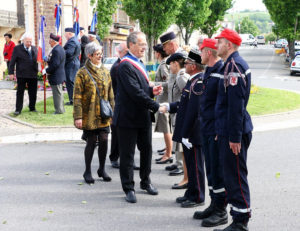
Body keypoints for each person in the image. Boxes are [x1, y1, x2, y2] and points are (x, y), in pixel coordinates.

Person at [113, 31, 163, 203]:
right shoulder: (125, 65)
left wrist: (152, 91)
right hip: (127, 118)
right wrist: (156, 105)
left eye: (145, 44)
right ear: (131, 45)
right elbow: (134, 92)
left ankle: (145, 182)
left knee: (147, 150)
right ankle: (129, 187)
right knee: (127, 154)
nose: (144, 47)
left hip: (142, 116)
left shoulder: (138, 62)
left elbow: (141, 88)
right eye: (141, 44)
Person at [213, 28, 253, 231]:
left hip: (234, 132)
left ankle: (240, 221)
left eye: (219, 42)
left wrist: (234, 137)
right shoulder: (230, 65)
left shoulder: (234, 66)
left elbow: (236, 106)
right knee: (231, 175)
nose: (216, 45)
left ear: (229, 44)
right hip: (228, 130)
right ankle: (237, 217)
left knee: (236, 175)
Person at [161, 49, 206, 208]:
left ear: (193, 66)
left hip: (193, 133)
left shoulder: (198, 82)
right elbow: (184, 104)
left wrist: (187, 134)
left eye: (186, 63)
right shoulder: (193, 81)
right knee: (191, 164)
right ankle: (191, 192)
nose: (184, 65)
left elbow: (194, 111)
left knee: (196, 166)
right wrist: (170, 106)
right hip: (188, 132)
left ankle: (198, 196)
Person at [193, 38, 227, 227]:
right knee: (211, 171)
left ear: (208, 52)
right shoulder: (209, 70)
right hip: (206, 127)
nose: (199, 54)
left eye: (201, 51)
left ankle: (221, 210)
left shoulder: (221, 70)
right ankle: (214, 205)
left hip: (214, 129)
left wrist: (218, 129)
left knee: (217, 171)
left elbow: (222, 104)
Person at [73, 42, 114, 184]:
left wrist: (113, 113)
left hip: (103, 114)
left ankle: (102, 169)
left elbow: (110, 94)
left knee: (104, 140)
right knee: (91, 141)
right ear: (89, 56)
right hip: (89, 114)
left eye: (101, 53)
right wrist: (78, 117)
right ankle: (87, 171)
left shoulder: (105, 71)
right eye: (97, 54)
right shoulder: (82, 73)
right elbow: (77, 96)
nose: (100, 56)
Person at [160, 31, 188, 183]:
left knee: (181, 140)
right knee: (177, 137)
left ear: (171, 43)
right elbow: (170, 83)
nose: (164, 50)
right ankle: (178, 162)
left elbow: (186, 85)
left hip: (180, 105)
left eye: (165, 46)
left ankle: (183, 168)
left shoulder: (182, 58)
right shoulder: (172, 60)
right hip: (173, 105)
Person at [152, 44, 173, 164]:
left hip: (164, 100)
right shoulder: (164, 63)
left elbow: (168, 82)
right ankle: (167, 150)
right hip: (164, 99)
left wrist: (153, 84)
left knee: (166, 129)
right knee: (166, 128)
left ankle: (168, 154)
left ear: (158, 53)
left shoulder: (163, 64)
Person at [9, 32, 38, 115]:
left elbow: (37, 60)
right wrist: (11, 73)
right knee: (20, 92)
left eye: (30, 41)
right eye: (27, 41)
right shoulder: (17, 49)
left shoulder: (34, 48)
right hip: (22, 74)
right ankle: (18, 109)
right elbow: (12, 61)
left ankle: (32, 107)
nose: (29, 43)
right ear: (23, 41)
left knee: (33, 92)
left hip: (33, 74)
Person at [109, 42, 128, 168]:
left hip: (122, 103)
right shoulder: (118, 66)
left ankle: (123, 157)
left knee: (123, 133)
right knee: (116, 132)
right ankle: (114, 157)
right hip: (117, 103)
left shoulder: (124, 64)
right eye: (127, 51)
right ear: (120, 52)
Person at [44, 33, 66, 114]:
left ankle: (59, 110)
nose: (49, 43)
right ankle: (61, 109)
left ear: (53, 41)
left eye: (50, 41)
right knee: (59, 93)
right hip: (58, 75)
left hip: (56, 75)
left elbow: (55, 64)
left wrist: (47, 70)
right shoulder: (58, 49)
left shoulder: (56, 50)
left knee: (57, 94)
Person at [64, 27, 81, 106]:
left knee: (70, 82)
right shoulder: (74, 40)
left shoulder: (72, 41)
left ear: (70, 34)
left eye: (65, 34)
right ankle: (73, 99)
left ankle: (73, 100)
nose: (65, 36)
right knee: (71, 82)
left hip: (71, 64)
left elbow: (69, 53)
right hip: (73, 63)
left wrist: (61, 51)